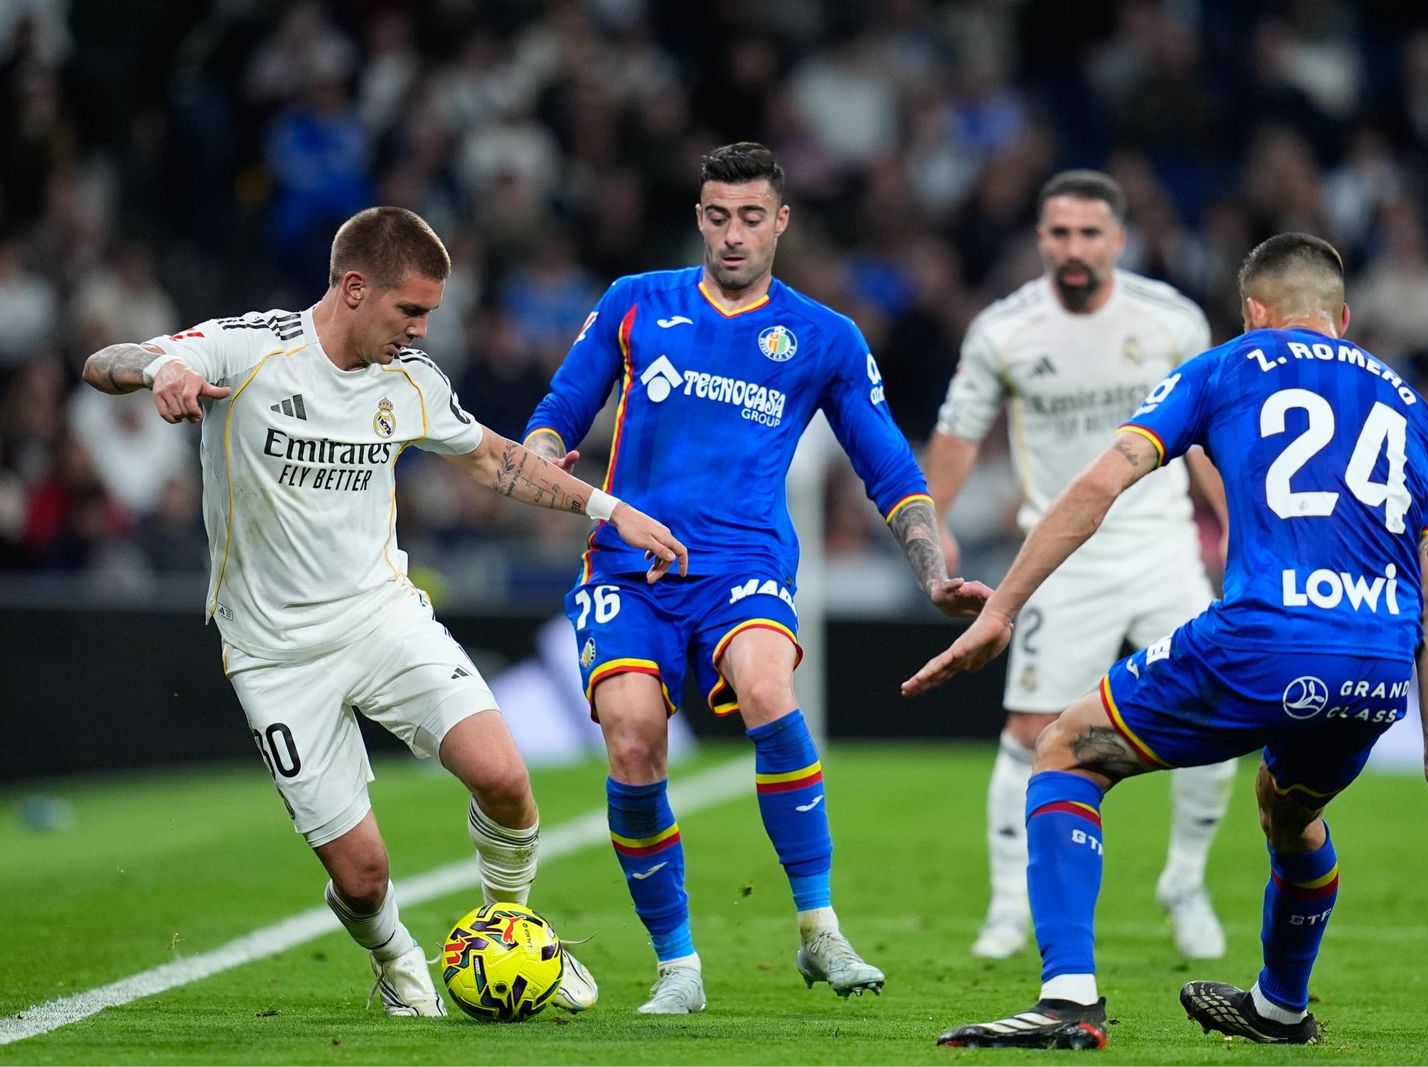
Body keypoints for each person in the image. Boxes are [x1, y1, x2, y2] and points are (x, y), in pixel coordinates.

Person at [80, 206, 689, 1019]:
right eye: (412, 310)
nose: (423, 329)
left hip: (382, 618)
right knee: (362, 876)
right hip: (274, 654)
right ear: (355, 287)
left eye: (431, 312)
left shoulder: (412, 380)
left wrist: (611, 511)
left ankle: (510, 924)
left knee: (506, 778)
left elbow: (494, 460)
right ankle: (395, 955)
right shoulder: (250, 349)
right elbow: (104, 360)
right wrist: (158, 371)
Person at [903, 233, 1428, 1049]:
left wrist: (1003, 607)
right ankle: (1281, 1007)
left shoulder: (1227, 366)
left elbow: (1100, 483)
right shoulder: (1412, 408)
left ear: (1254, 313)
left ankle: (1068, 999)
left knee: (1067, 748)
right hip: (1376, 663)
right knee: (1290, 816)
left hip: (1265, 637)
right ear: (1344, 319)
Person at [523, 142, 990, 1014]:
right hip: (627, 567)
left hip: (743, 564)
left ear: (781, 221)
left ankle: (819, 930)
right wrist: (547, 467)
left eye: (749, 217)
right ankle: (679, 968)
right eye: (716, 215)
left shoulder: (823, 336)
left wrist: (933, 573)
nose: (731, 235)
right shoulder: (635, 304)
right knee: (630, 739)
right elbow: (556, 416)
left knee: (770, 692)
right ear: (698, 216)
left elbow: (889, 469)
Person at [924, 170, 1237, 961]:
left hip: (1163, 544)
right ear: (1039, 238)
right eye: (1059, 233)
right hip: (1062, 561)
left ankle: (1186, 881)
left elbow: (1204, 439)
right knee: (1031, 731)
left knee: (1223, 713)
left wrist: (1240, 527)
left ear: (1119, 239)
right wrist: (931, 526)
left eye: (1089, 233)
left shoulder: (1172, 320)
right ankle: (1006, 908)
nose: (1073, 248)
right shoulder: (1004, 329)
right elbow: (961, 432)